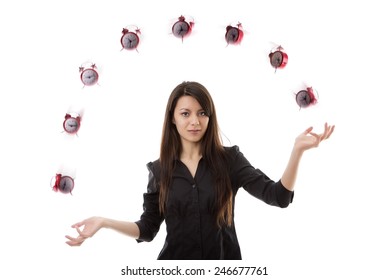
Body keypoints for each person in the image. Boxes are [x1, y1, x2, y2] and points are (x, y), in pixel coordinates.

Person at [65, 81, 335, 260]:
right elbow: (147, 229)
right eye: (185, 113)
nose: (195, 121)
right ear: (172, 118)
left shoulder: (230, 160)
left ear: (210, 116)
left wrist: (297, 151)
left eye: (202, 113)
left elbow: (278, 197)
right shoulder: (160, 171)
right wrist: (103, 222)